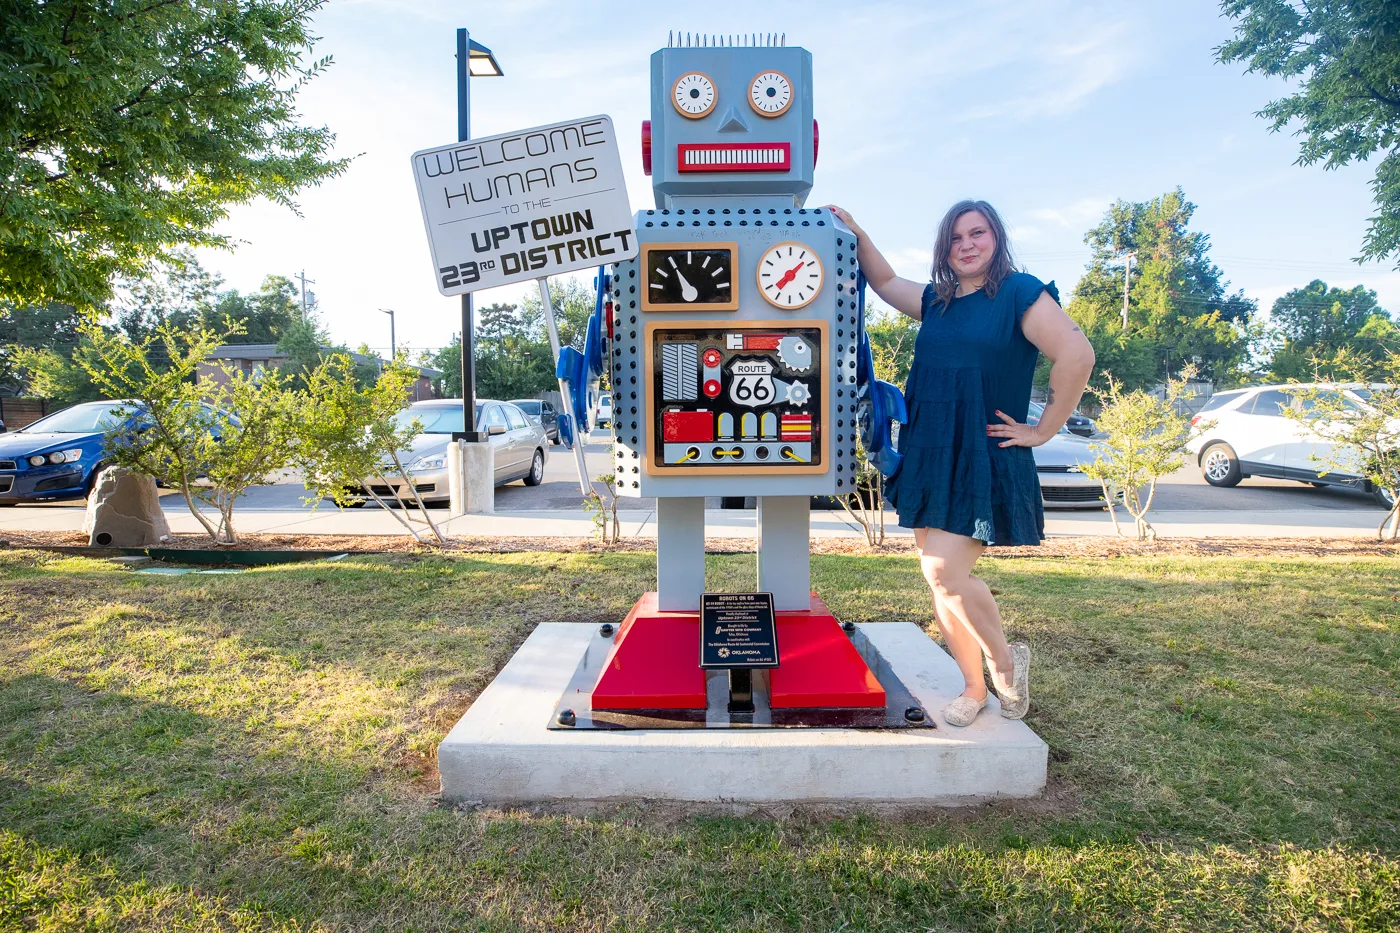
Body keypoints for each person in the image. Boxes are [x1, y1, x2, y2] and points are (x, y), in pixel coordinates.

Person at [826, 200, 1095, 727]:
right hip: (930, 448)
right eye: (955, 238)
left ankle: (1005, 662)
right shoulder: (937, 302)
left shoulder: (1020, 293)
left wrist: (1043, 431)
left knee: (944, 571)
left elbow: (1077, 355)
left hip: (980, 451)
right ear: (944, 249)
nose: (967, 245)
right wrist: (856, 230)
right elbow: (881, 280)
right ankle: (974, 687)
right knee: (939, 582)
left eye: (978, 233)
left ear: (996, 239)